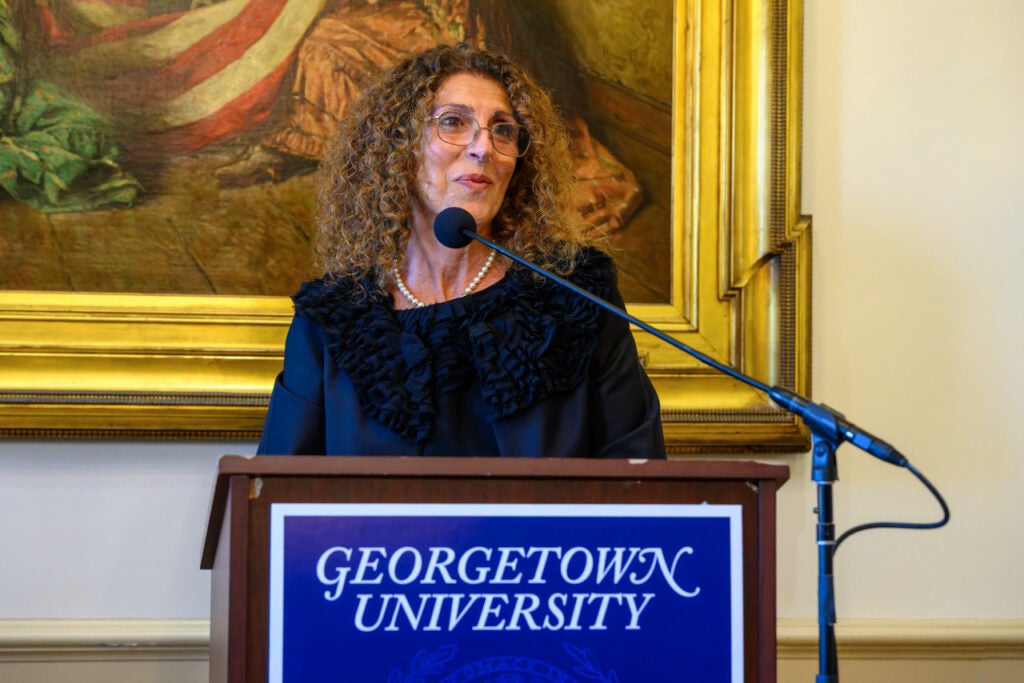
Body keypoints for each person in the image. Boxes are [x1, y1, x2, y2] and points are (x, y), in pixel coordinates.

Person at [256, 43, 664, 458]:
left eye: (503, 129)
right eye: (453, 122)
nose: (484, 148)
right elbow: (273, 494)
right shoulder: (333, 319)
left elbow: (640, 479)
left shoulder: (575, 296)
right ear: (398, 147)